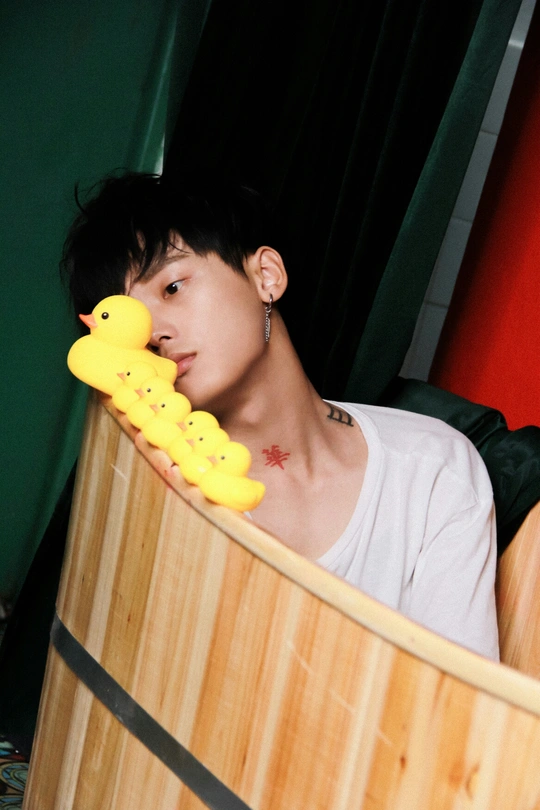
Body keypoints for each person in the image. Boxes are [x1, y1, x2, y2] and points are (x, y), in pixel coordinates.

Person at [63, 171, 499, 660]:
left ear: (266, 276)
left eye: (172, 287)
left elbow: (458, 697)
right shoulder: (155, 493)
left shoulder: (433, 469)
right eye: (125, 319)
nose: (153, 332)